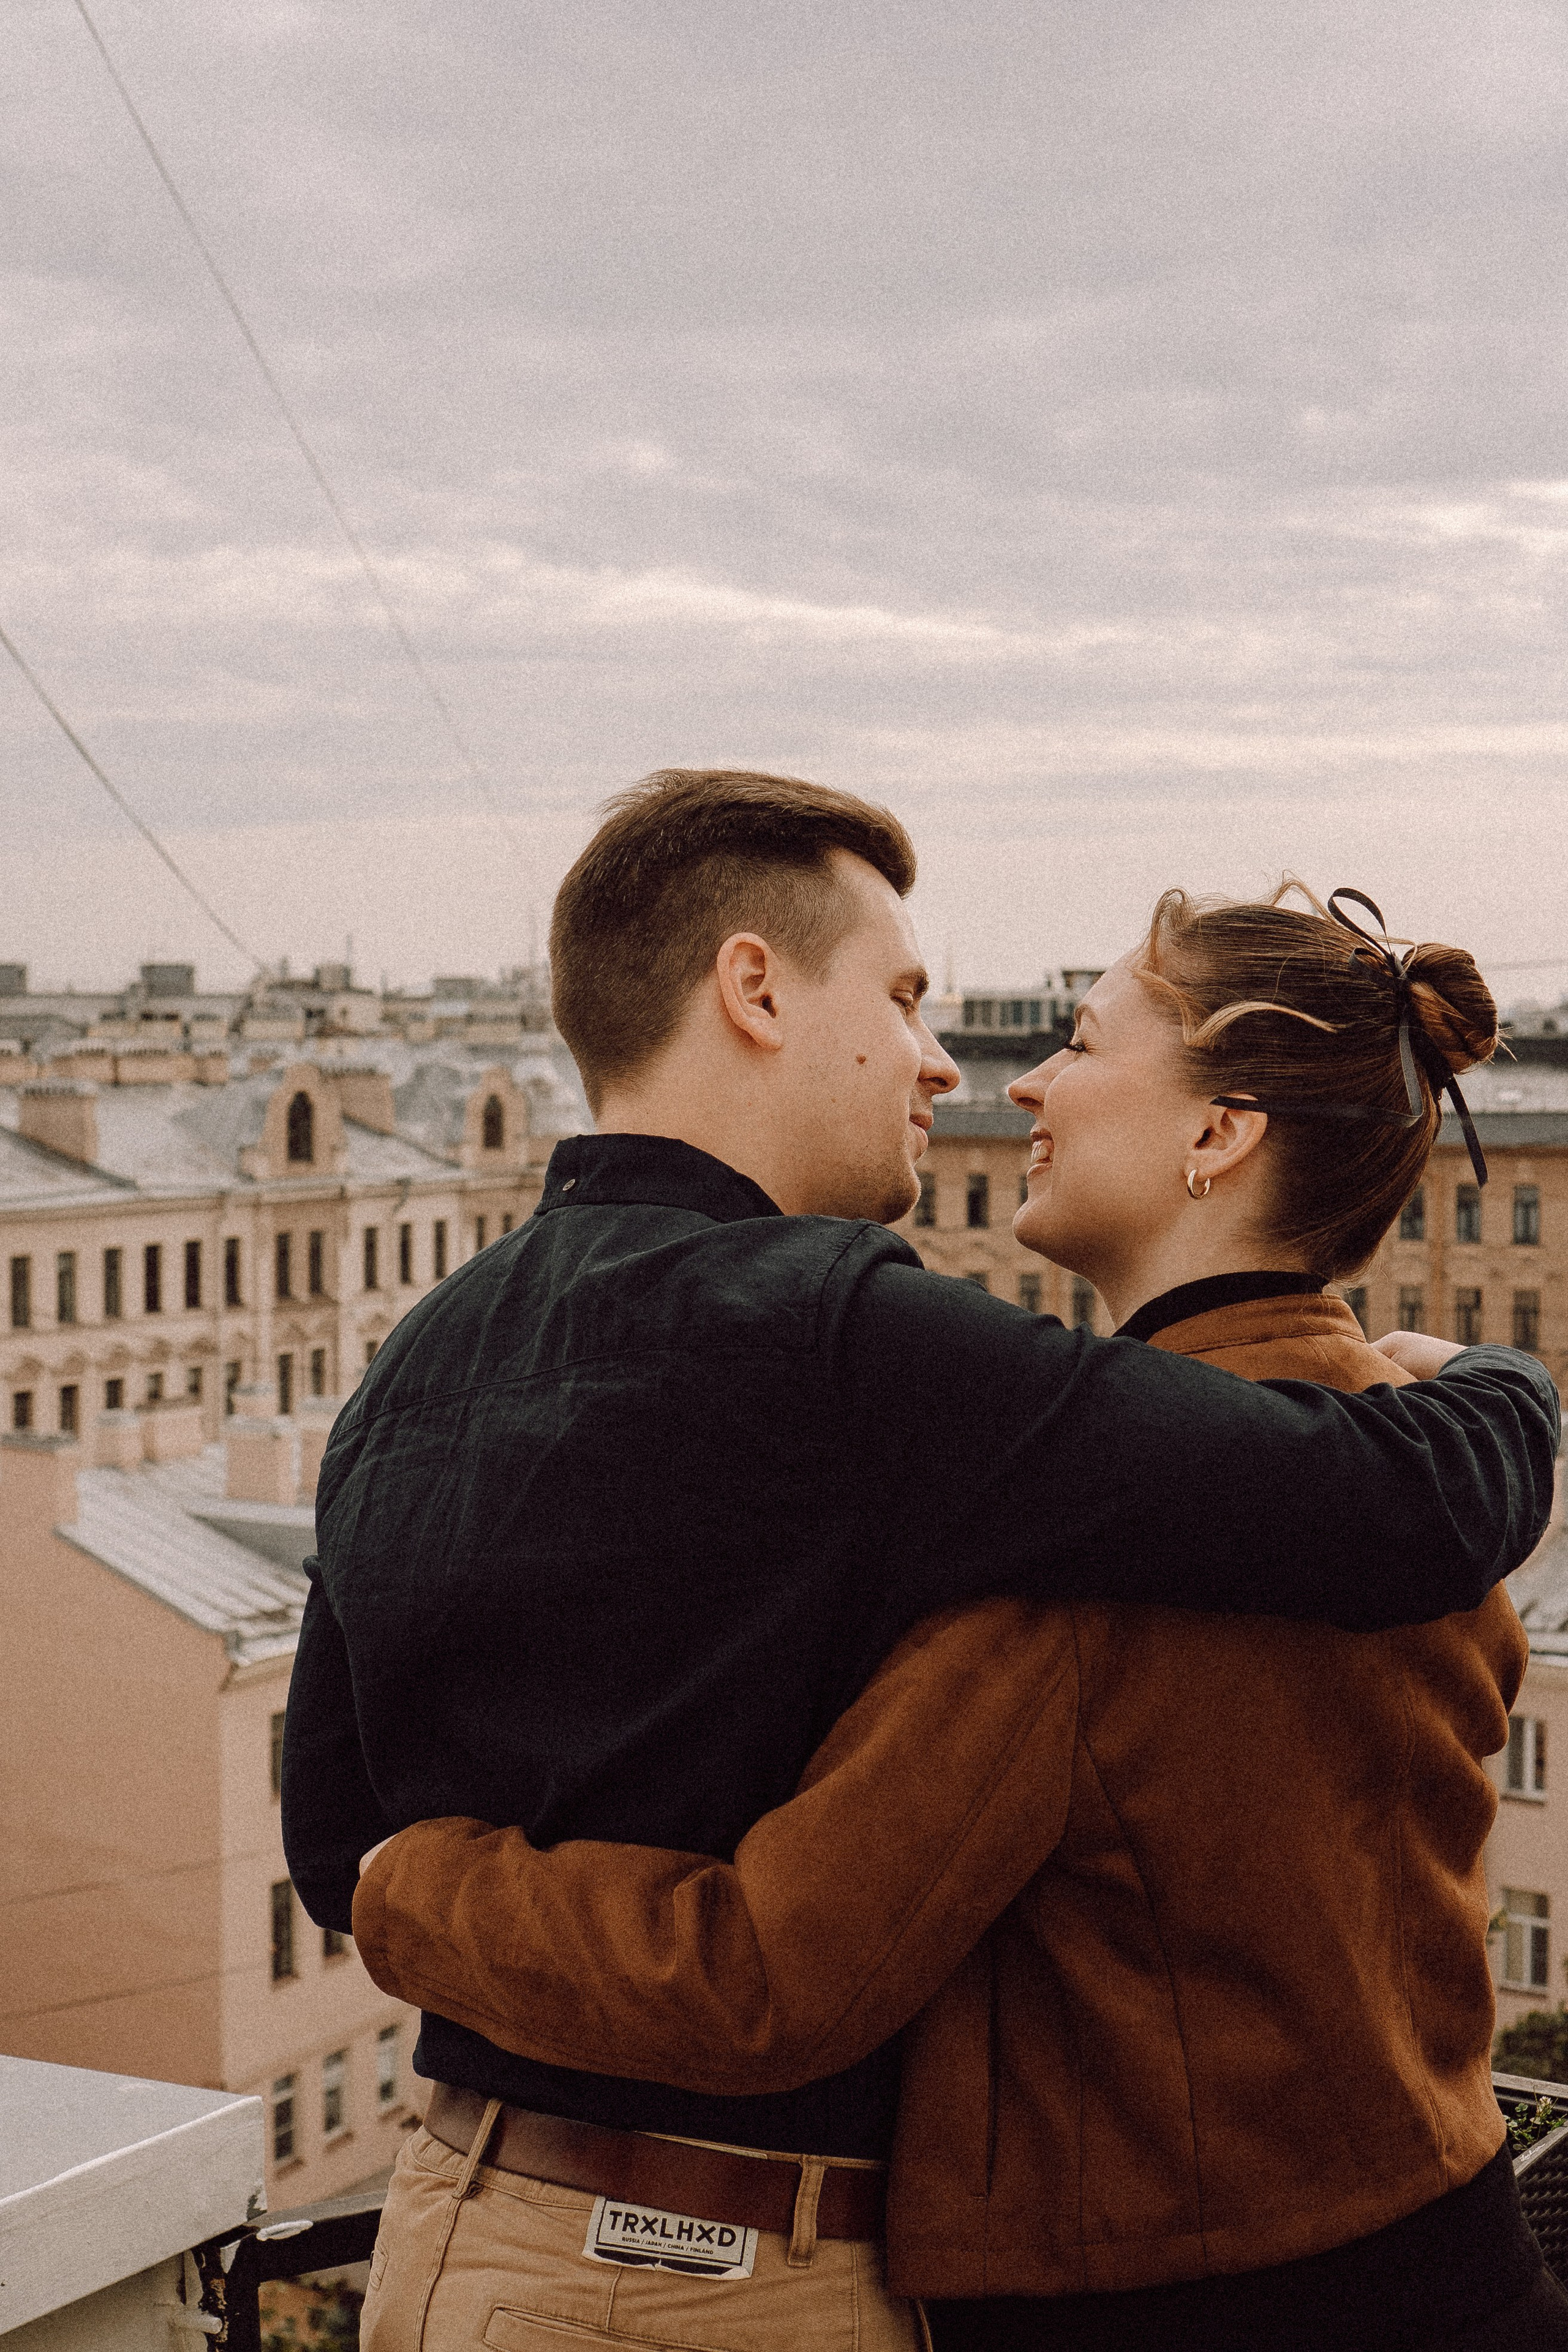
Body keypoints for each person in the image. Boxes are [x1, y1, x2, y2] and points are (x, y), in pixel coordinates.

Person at [283, 778, 1557, 2352]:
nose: (965, 1072)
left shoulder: (417, 1354)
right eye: (901, 1001)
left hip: (449, 2234)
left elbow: (340, 1823)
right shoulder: (860, 1341)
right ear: (752, 989)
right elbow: (1383, 1507)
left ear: (1221, 1135)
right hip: (740, 2270)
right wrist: (1504, 1395)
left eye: (1068, 1046)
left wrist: (409, 1885)